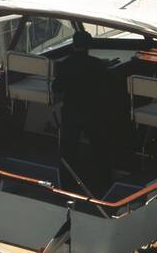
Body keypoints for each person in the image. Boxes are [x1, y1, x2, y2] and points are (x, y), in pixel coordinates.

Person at [52, 30, 112, 194]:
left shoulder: (65, 64)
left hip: (71, 111)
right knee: (99, 148)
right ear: (89, 46)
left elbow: (56, 87)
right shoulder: (98, 65)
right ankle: (104, 183)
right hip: (92, 112)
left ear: (73, 45)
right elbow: (106, 89)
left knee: (68, 149)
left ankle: (65, 183)